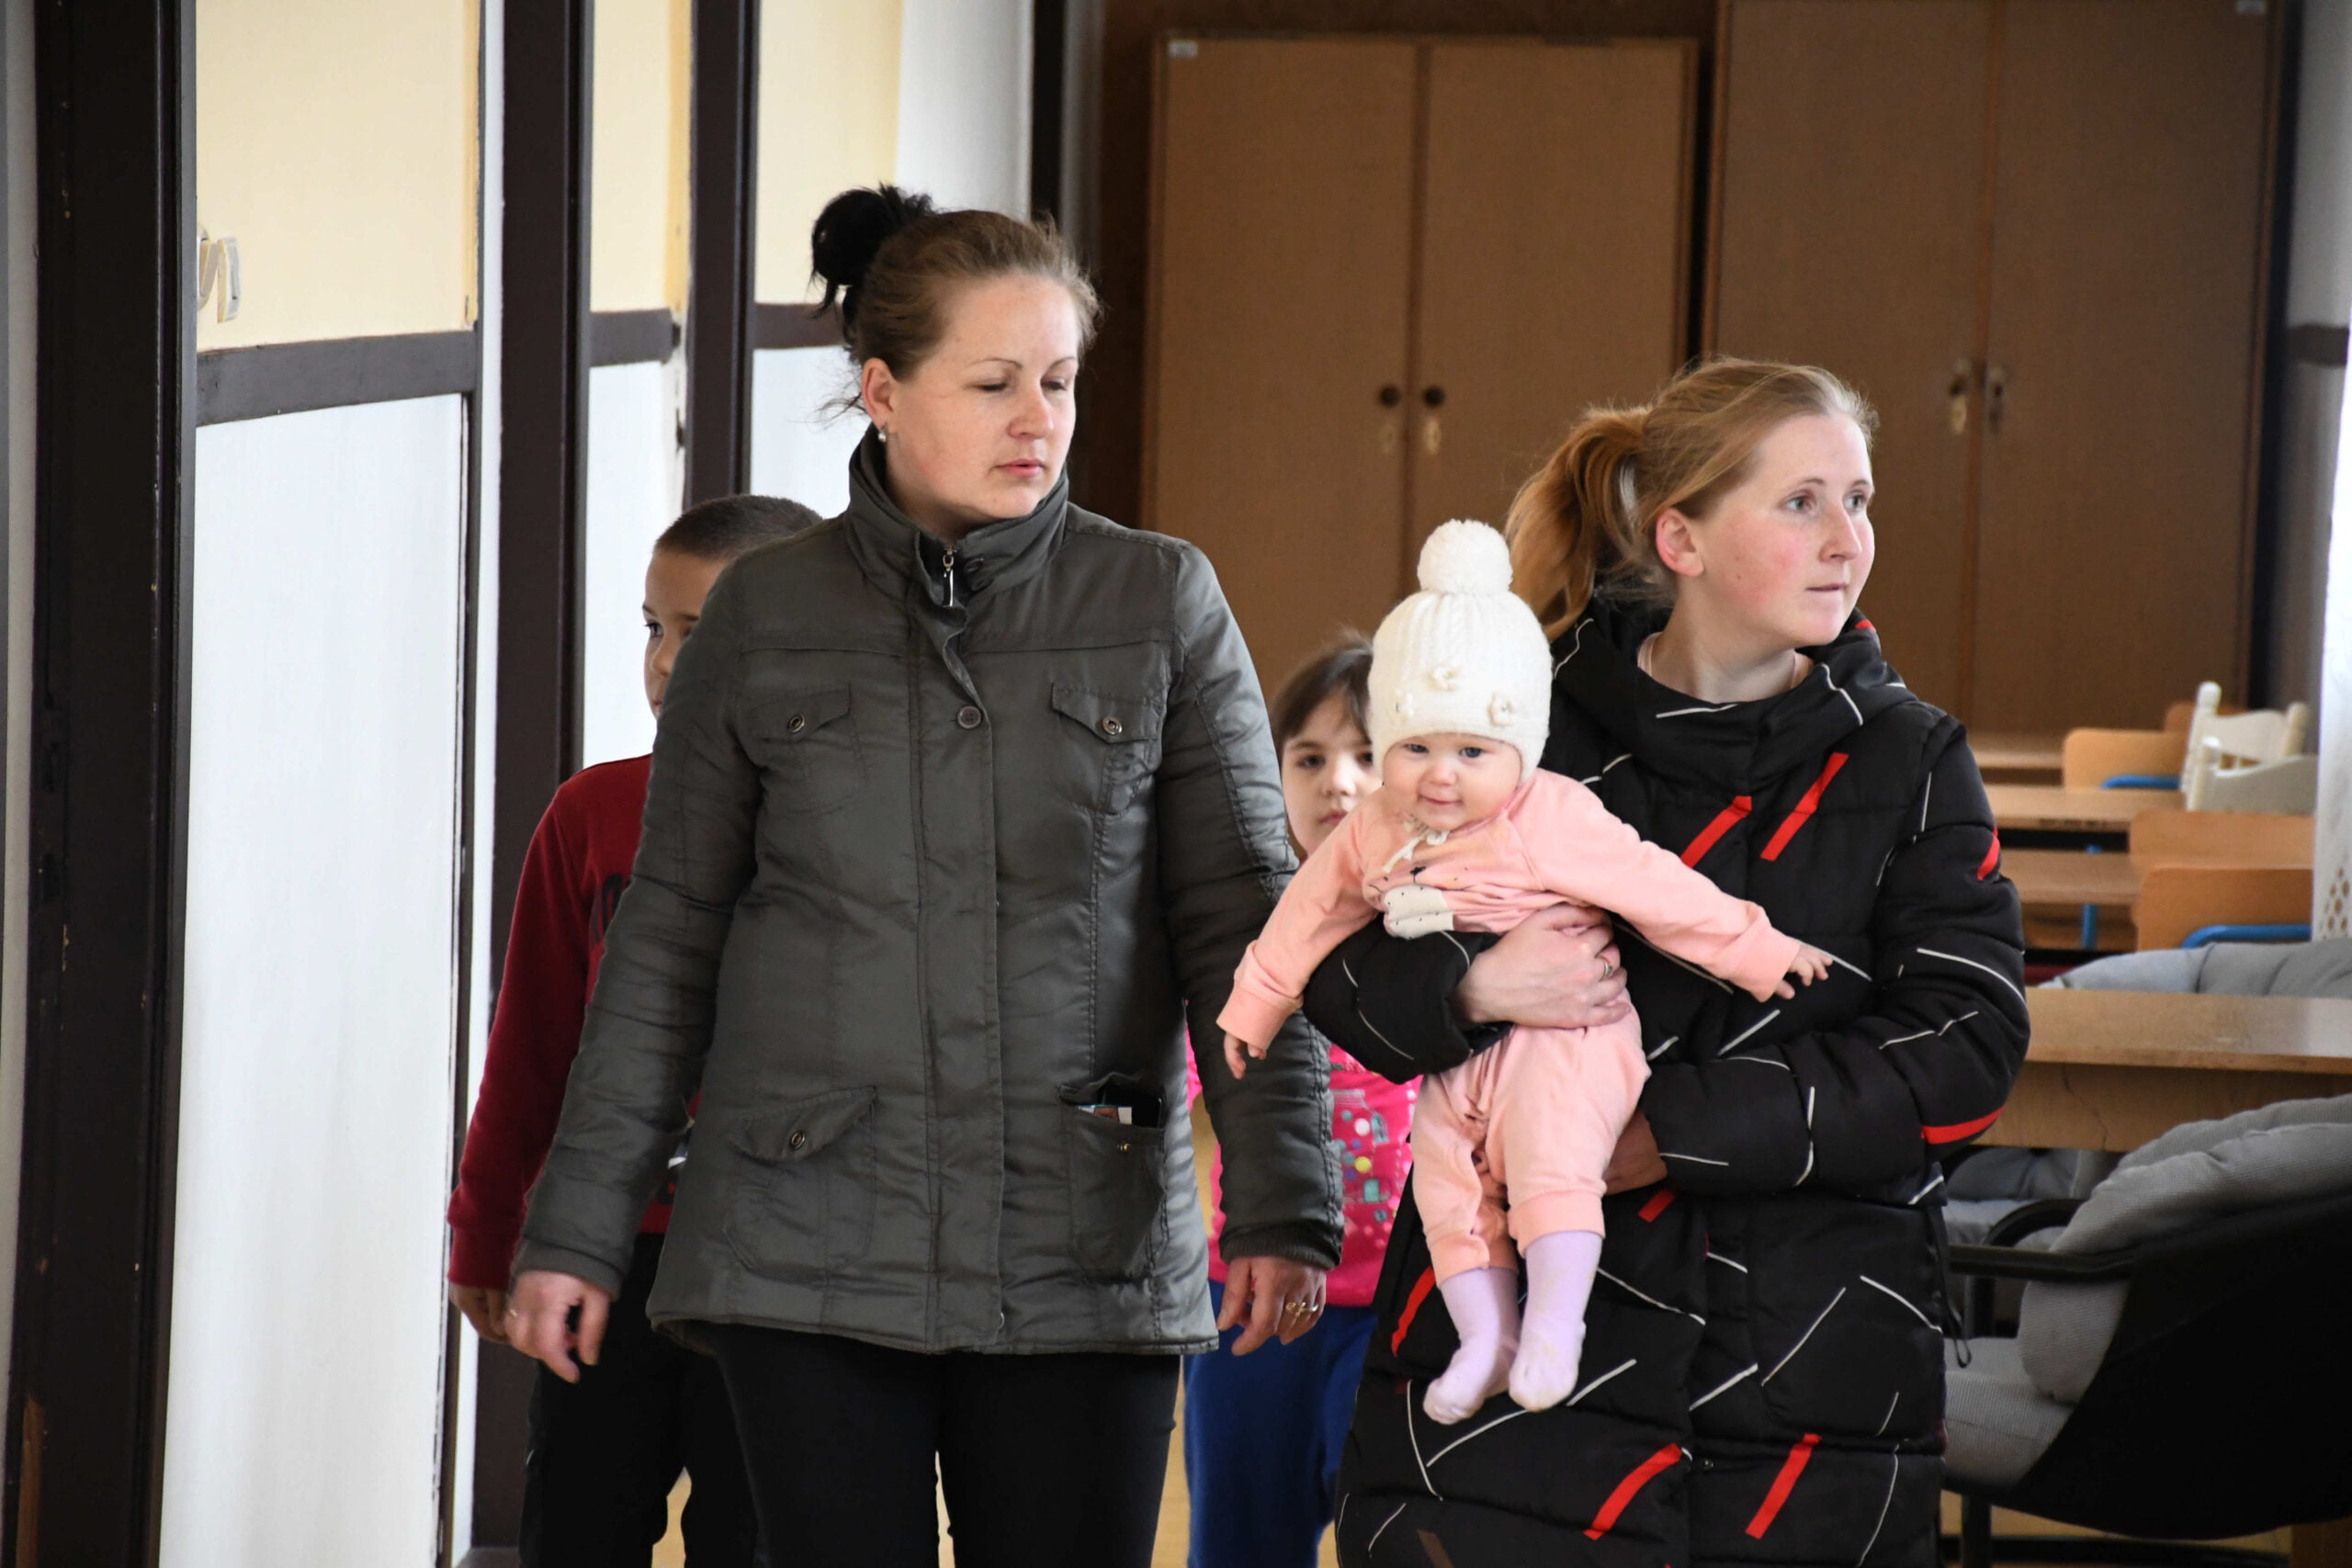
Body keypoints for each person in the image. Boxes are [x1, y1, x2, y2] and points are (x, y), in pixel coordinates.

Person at [500, 185, 1343, 1568]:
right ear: (884, 392)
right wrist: (578, 1225)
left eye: (1058, 382)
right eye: (994, 383)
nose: (1037, 420)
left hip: (1085, 1243)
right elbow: (666, 942)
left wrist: (1283, 1199)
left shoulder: (1159, 600)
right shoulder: (765, 615)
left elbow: (1243, 925)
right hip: (804, 1240)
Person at [1310, 359, 2028, 1567]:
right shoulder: (1519, 731)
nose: (1845, 538)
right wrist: (1467, 987)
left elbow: (1965, 1048)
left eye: (1858, 501)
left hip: (1805, 1359)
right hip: (1513, 1358)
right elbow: (1336, 953)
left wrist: (1663, 1131)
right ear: (1679, 538)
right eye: (1800, 502)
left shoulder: (1910, 760)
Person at [1225, 520, 1833, 1426]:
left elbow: (1656, 888)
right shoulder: (1374, 826)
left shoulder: (1547, 812)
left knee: (1552, 1157)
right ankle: (1486, 1337)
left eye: (1472, 752)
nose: (1440, 776)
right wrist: (1255, 1001)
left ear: (1518, 749)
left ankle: (1553, 1323)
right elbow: (1307, 913)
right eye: (1416, 748)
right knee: (1442, 1176)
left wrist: (1758, 950)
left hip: (1568, 1040)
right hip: (1464, 1052)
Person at [447, 492, 819, 1566]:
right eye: (654, 627)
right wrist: (486, 1228)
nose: (662, 663)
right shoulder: (591, 816)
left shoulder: (858, 833)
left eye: (699, 634)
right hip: (612, 1254)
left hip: (786, 1271)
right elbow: (531, 1049)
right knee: (577, 1523)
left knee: (753, 1535)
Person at [1180, 632, 1409, 1568]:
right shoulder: (1246, 931)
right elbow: (1174, 1076)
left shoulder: (1455, 927)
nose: (1337, 783)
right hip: (1255, 1296)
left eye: (1367, 755)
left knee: (1396, 1538)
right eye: (1308, 759)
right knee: (1241, 1542)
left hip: (1408, 1305)